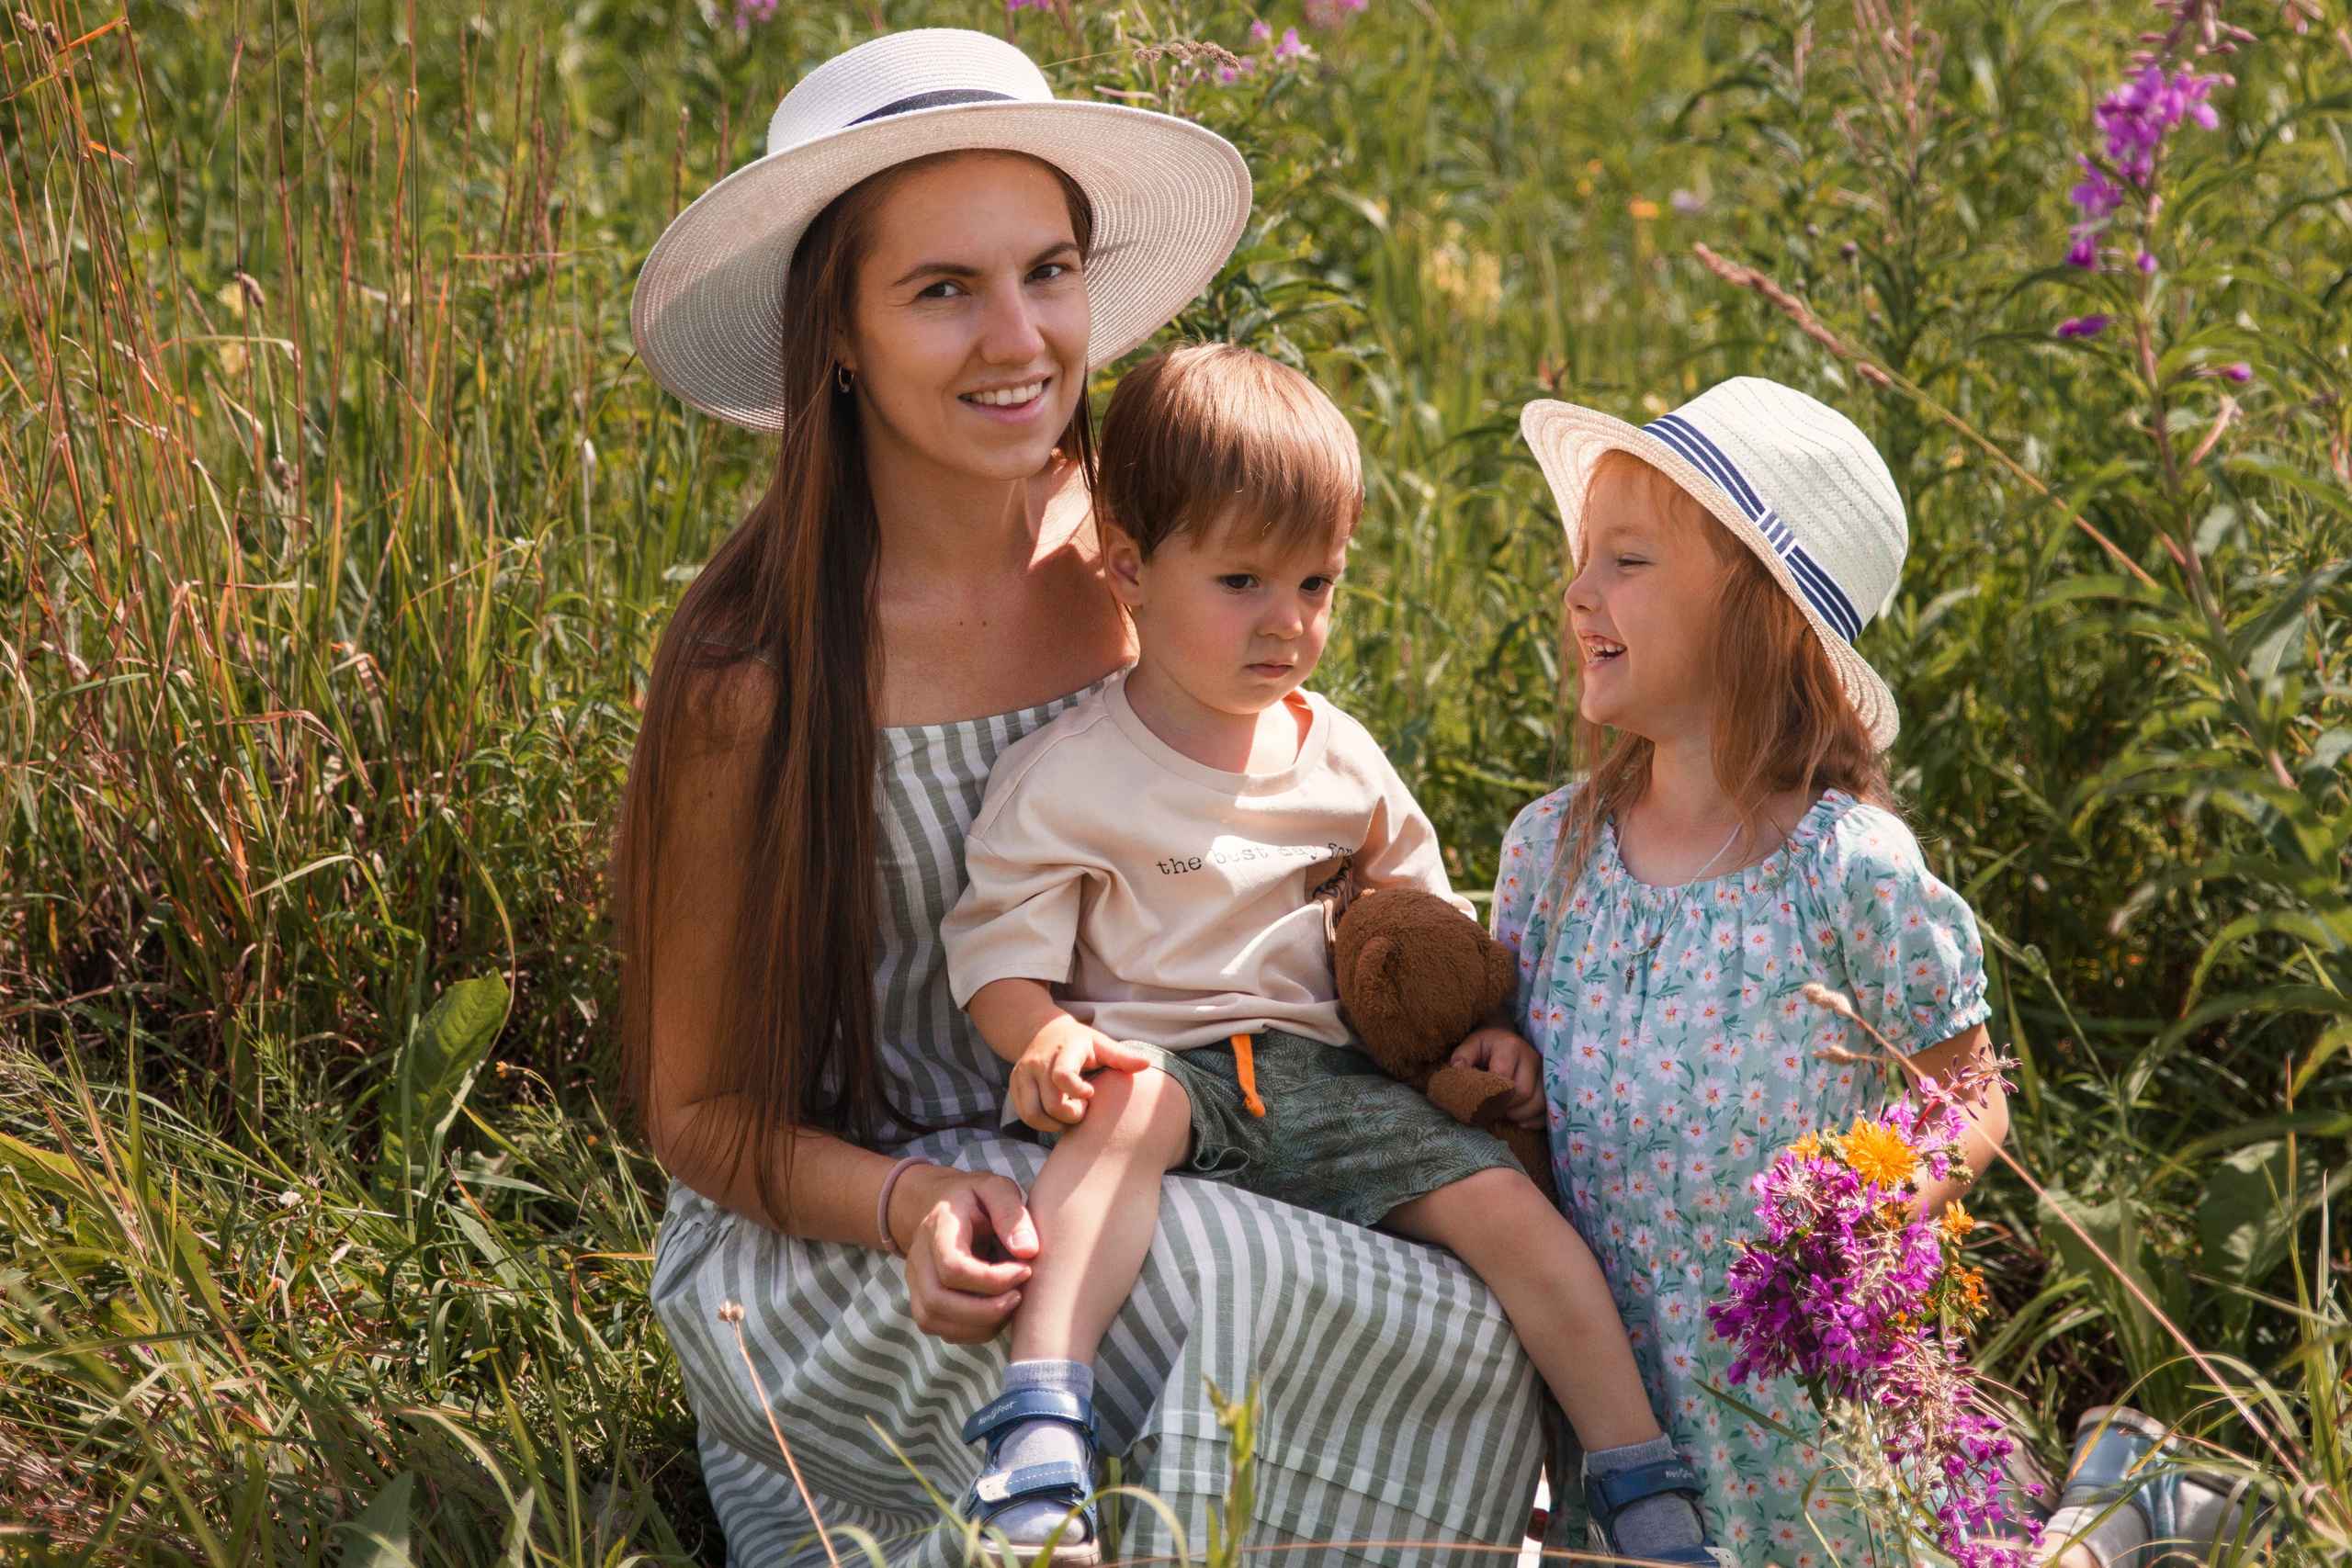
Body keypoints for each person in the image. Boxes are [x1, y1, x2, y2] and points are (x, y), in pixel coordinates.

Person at [620, 28, 1546, 1567]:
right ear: (834, 334)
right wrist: (913, 1203)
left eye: (1049, 271)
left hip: (1205, 1125)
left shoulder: (1152, 559)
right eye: (942, 289)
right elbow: (700, 1116)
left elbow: (1283, 848)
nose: (1022, 337)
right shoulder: (758, 676)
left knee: (1481, 1293)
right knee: (1235, 1288)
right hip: (889, 1225)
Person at [935, 344, 1716, 1565]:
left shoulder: (1335, 755)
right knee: (1119, 1122)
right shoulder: (1074, 773)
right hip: (1167, 1059)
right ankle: (1043, 1418)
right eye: (1243, 580)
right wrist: (1041, 1039)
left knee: (1510, 1209)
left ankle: (1634, 1474)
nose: (1288, 622)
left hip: (1331, 1079)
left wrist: (1474, 1035)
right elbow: (997, 946)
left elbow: (1409, 922)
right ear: (1131, 567)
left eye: (1317, 582)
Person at [1498, 378, 2013, 1563]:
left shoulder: (1845, 871)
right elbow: (1524, 1078)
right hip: (1613, 1407)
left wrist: (1868, 1207)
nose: (1580, 595)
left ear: (1763, 614)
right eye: (1584, 560)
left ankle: (2126, 1512)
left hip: (1805, 1406)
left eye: (1626, 561)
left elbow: (1970, 1098)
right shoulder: (1551, 853)